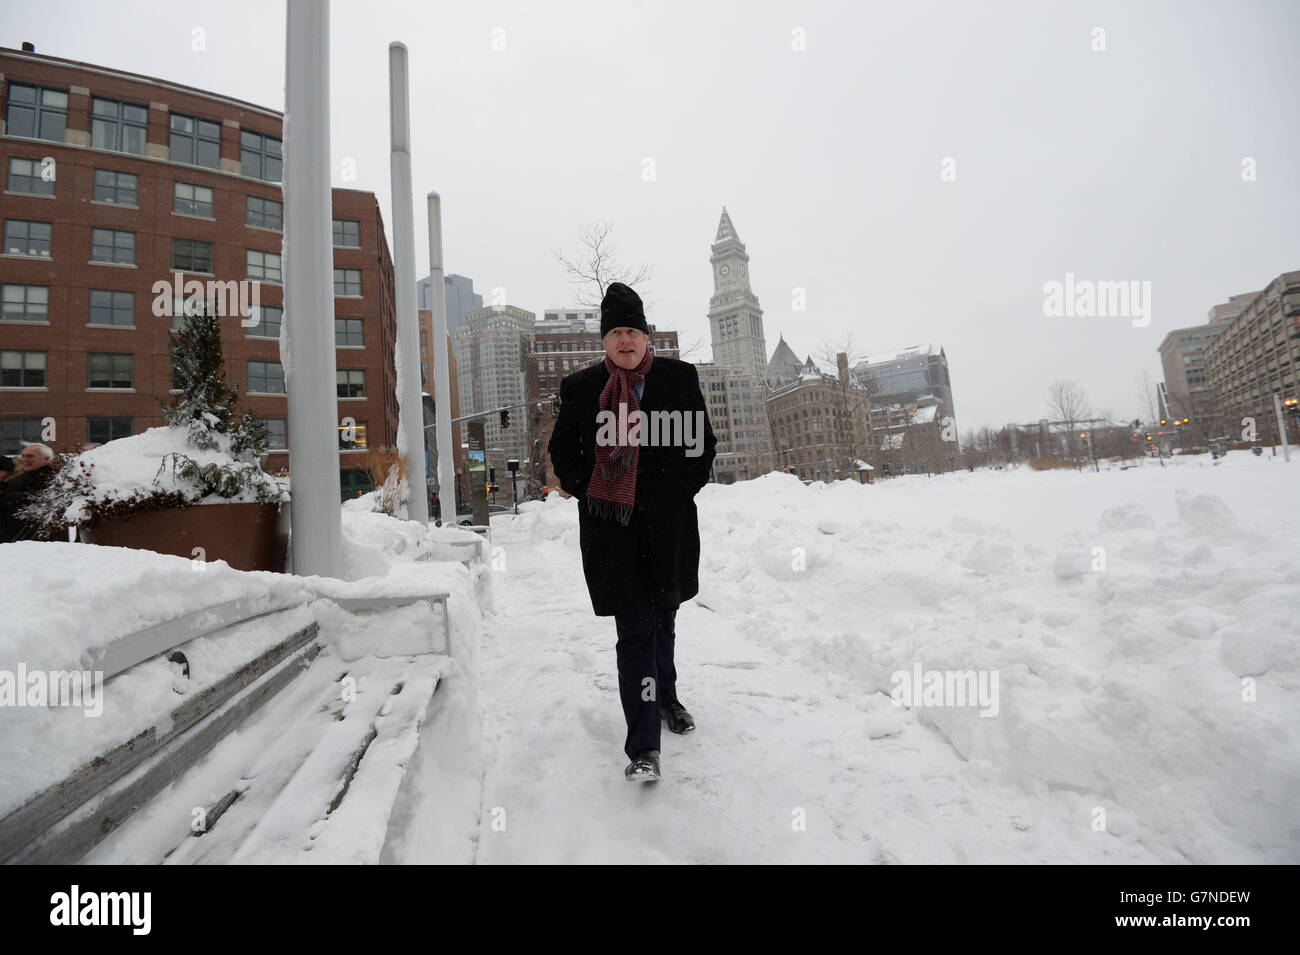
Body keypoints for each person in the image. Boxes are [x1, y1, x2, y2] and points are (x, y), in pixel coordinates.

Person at [547, 282, 717, 782]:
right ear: (604, 340)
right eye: (617, 332)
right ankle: (644, 747)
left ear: (647, 337)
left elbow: (701, 449)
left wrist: (670, 491)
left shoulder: (678, 378)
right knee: (635, 629)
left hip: (668, 526)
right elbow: (564, 455)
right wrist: (595, 491)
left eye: (634, 332)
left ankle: (667, 696)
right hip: (612, 531)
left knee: (664, 615)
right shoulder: (580, 389)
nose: (626, 340)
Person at [0, 443, 56, 542]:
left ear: (46, 459)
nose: (25, 459)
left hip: (35, 539)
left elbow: (41, 500)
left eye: (30, 456)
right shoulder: (22, 477)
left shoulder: (53, 478)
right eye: (23, 456)